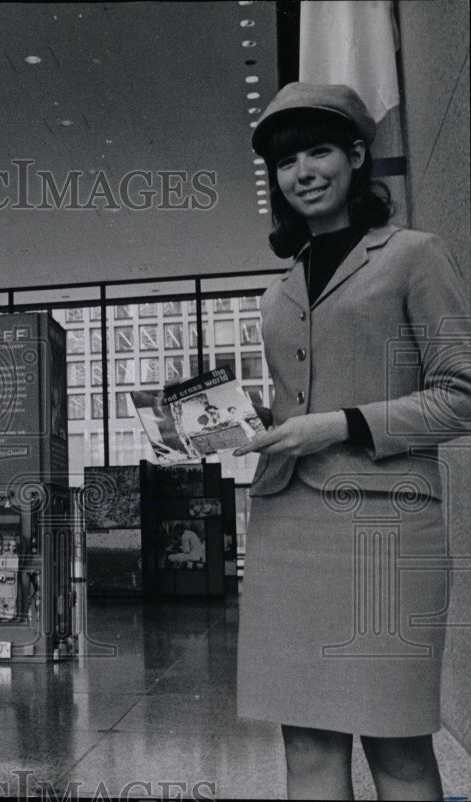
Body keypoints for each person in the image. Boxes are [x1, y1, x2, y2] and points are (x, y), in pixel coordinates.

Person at [232, 82, 471, 800]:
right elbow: (295, 404)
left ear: (357, 156)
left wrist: (337, 425)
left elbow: (462, 394)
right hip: (286, 530)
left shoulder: (413, 255)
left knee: (396, 749)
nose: (302, 171)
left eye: (319, 151)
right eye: (285, 162)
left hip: (385, 537)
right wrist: (244, 428)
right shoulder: (276, 294)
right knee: (304, 745)